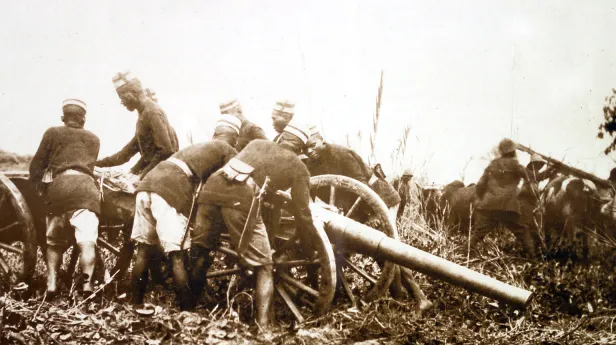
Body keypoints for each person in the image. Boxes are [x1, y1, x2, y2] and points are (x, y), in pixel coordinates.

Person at [190, 122, 320, 331]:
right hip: (240, 198)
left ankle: (188, 314)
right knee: (265, 266)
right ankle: (264, 328)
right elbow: (302, 214)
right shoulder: (298, 167)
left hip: (211, 189)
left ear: (281, 137)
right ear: (301, 148)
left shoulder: (257, 143)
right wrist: (308, 247)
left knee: (201, 249)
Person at [304, 132, 430, 310]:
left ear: (322, 140)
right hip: (358, 208)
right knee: (380, 251)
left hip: (380, 200)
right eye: (306, 148)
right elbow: (310, 189)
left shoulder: (341, 153)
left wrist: (371, 215)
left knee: (388, 248)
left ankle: (419, 298)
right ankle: (399, 297)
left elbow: (361, 186)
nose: (310, 151)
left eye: (313, 145)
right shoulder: (312, 164)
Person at [130, 114, 240, 309]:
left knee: (144, 250)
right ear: (235, 137)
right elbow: (229, 182)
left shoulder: (197, 148)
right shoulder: (228, 149)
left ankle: (135, 303)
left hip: (147, 184)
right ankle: (186, 312)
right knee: (177, 255)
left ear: (216, 133)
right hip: (169, 189)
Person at [29, 99, 101, 295]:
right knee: (87, 242)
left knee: (54, 242)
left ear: (63, 118)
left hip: (59, 188)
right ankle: (87, 285)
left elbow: (36, 166)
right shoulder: (94, 139)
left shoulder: (52, 133)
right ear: (83, 119)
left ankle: (51, 284)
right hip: (86, 189)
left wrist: (38, 189)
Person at [95, 71, 179, 178]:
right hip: (158, 173)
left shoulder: (152, 112)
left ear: (134, 92)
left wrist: (142, 176)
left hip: (165, 176)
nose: (122, 102)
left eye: (123, 97)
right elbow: (126, 153)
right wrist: (97, 163)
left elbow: (166, 151)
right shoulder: (144, 114)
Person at [467, 138, 535, 257]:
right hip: (508, 206)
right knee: (522, 232)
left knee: (478, 234)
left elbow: (480, 185)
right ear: (513, 151)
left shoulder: (492, 164)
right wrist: (550, 171)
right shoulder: (515, 164)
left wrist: (484, 199)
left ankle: (464, 254)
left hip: (489, 205)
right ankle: (535, 259)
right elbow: (532, 176)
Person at [517, 154, 558, 245]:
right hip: (525, 201)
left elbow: (542, 176)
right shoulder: (528, 172)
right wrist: (552, 169)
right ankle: (529, 249)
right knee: (528, 227)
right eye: (538, 164)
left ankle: (535, 248)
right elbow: (539, 176)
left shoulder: (535, 174)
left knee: (534, 227)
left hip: (532, 203)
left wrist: (553, 170)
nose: (539, 166)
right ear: (533, 164)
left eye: (540, 165)